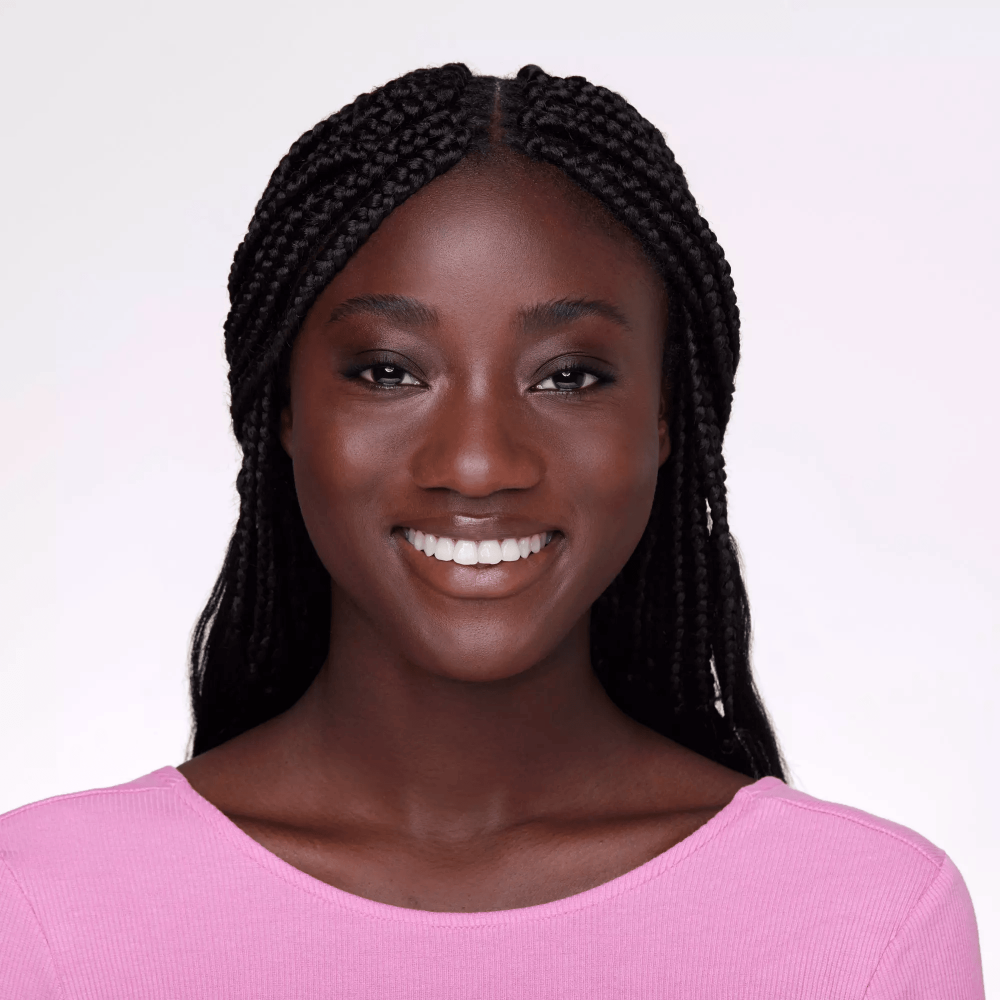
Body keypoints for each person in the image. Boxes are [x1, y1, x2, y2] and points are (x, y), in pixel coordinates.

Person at [0, 64, 984, 997]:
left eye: (569, 376)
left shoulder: (869, 923)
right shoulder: (42, 908)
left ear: (664, 419)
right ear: (285, 410)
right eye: (389, 371)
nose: (478, 463)